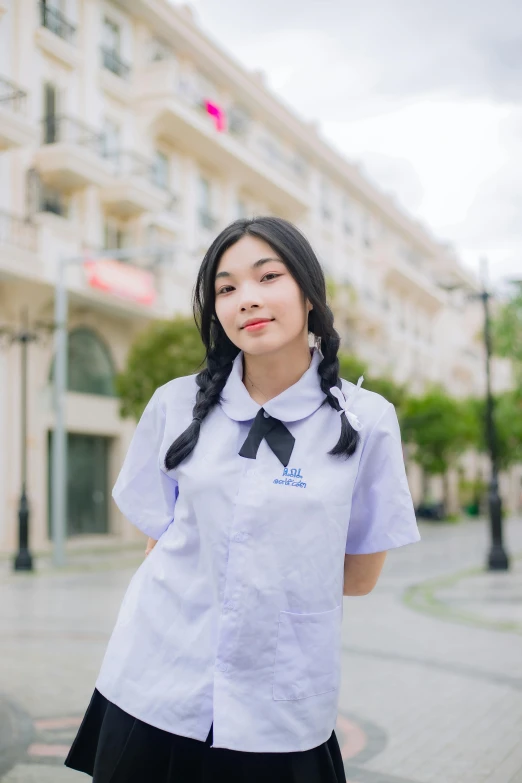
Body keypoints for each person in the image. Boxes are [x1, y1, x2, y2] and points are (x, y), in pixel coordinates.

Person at [65, 216, 420, 782]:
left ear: (309, 294)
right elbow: (162, 544)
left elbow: (358, 575)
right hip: (155, 683)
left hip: (280, 703)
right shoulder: (174, 404)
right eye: (226, 289)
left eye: (267, 277)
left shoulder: (366, 421)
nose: (246, 300)